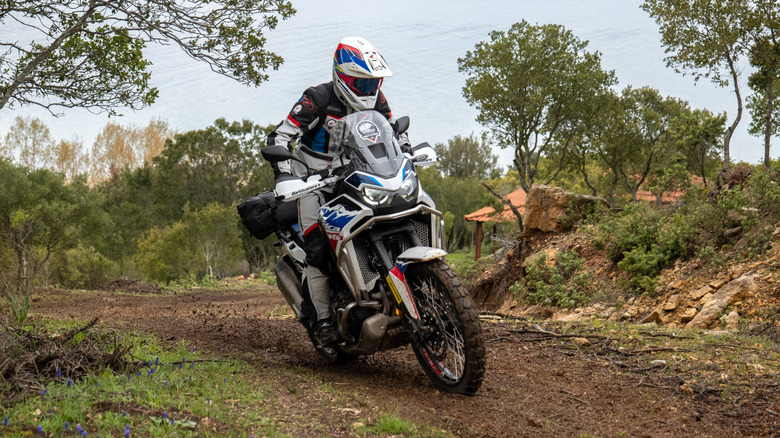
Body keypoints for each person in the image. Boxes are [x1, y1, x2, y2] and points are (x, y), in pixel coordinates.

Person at [265, 36, 403, 346]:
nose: (368, 91)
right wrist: (286, 176)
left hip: (358, 175)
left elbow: (393, 133)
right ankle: (324, 322)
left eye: (373, 83)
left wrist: (406, 151)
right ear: (341, 75)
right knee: (318, 249)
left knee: (388, 218)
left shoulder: (379, 100)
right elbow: (280, 137)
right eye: (361, 84)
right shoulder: (317, 98)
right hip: (313, 181)